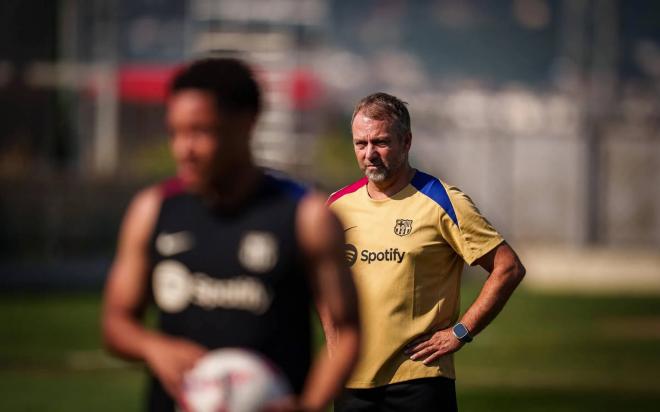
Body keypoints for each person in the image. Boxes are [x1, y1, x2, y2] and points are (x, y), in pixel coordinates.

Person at [101, 58, 360, 412]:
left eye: (200, 131)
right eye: (175, 132)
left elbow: (347, 332)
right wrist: (154, 347)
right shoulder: (152, 210)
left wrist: (310, 405)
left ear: (246, 122)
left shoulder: (305, 215)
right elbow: (116, 322)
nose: (183, 149)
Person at [324, 92, 525, 411]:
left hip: (418, 380)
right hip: (352, 382)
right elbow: (326, 281)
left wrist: (461, 331)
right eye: (361, 144)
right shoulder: (336, 206)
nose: (370, 154)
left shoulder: (443, 201)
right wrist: (334, 345)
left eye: (381, 142)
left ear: (406, 142)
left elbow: (508, 268)